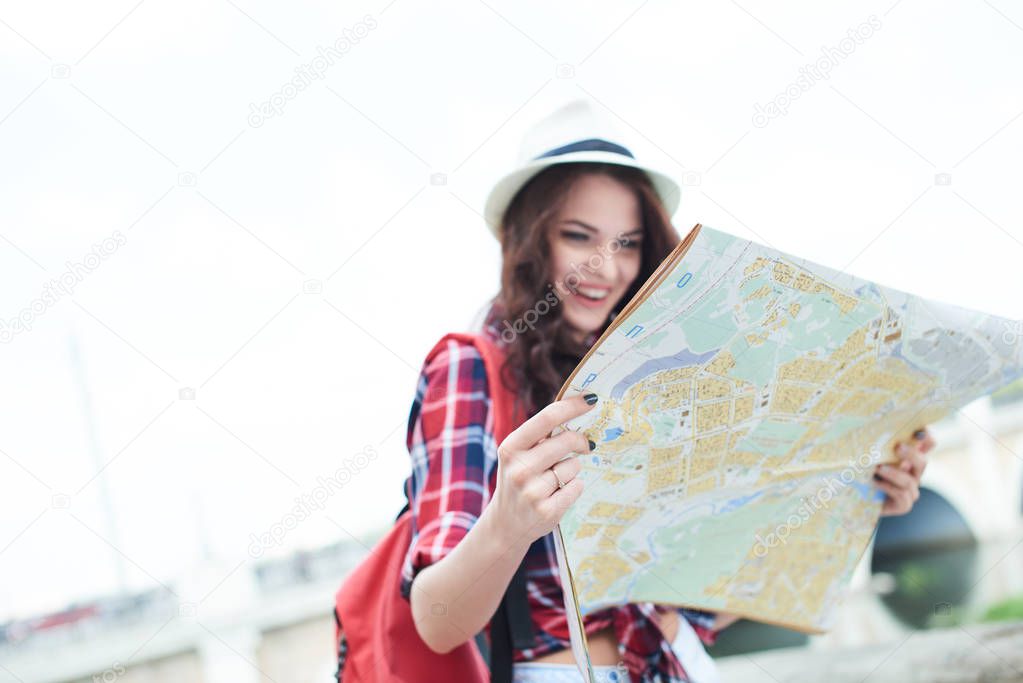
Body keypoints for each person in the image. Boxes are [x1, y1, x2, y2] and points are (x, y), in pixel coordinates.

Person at [398, 100, 936, 682]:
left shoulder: (648, 377)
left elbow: (709, 599)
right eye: (580, 237)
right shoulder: (468, 366)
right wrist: (508, 524)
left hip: (683, 666)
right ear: (527, 239)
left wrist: (860, 491)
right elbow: (438, 619)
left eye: (628, 243)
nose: (607, 268)